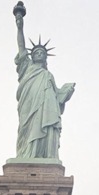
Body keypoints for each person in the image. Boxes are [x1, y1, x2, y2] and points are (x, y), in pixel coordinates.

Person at [14, 12, 75, 159]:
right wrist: (20, 27)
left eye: (42, 52)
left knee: (46, 126)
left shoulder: (48, 75)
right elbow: (21, 46)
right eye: (36, 52)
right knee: (26, 129)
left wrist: (65, 92)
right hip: (28, 105)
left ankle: (44, 154)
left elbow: (56, 97)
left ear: (45, 57)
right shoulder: (26, 67)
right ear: (32, 56)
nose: (39, 54)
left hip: (46, 108)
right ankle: (26, 155)